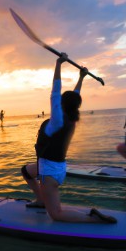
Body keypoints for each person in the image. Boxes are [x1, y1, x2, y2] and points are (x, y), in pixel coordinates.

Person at [20, 53, 117, 223]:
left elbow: (55, 90)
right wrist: (81, 78)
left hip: (50, 171)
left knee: (56, 215)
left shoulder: (57, 121)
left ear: (61, 105)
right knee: (26, 171)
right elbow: (75, 95)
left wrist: (58, 64)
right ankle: (41, 200)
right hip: (54, 165)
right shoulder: (71, 119)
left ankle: (92, 219)